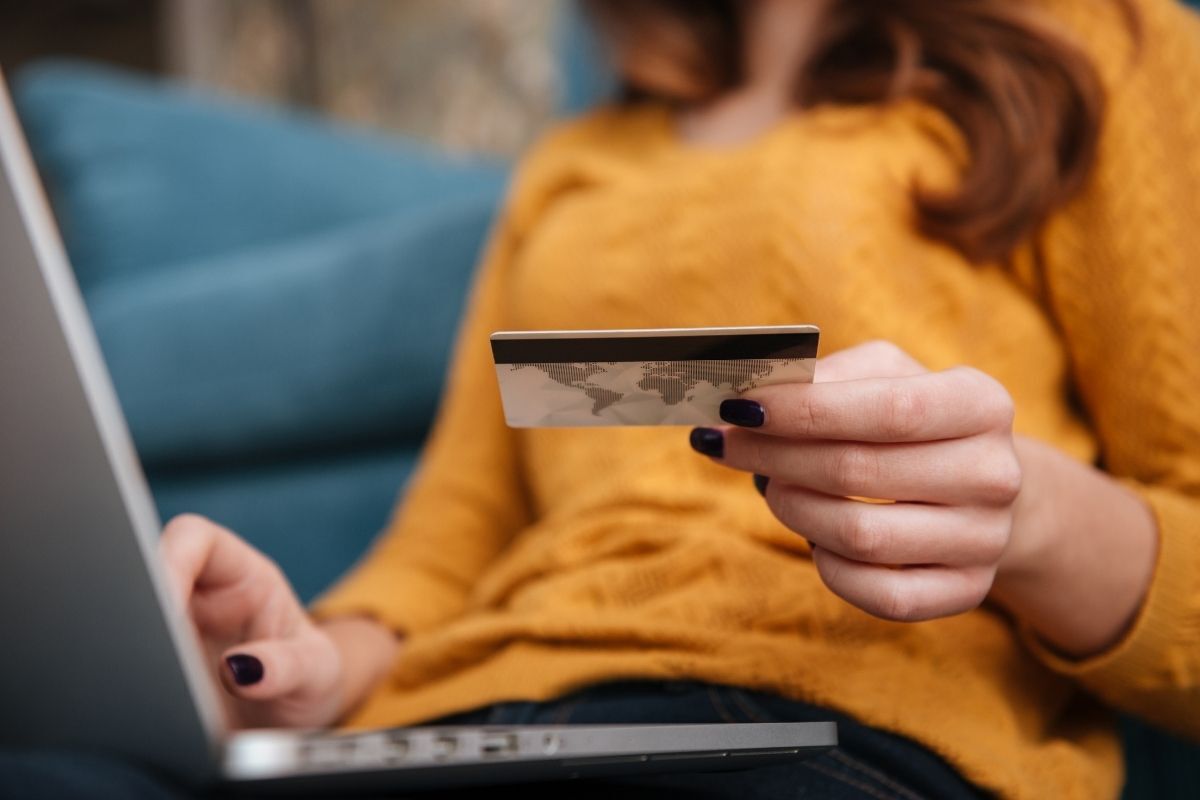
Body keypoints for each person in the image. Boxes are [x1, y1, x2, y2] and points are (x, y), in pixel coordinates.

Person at [162, 0, 1200, 797]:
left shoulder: (1097, 43)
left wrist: (1029, 515)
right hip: (464, 712)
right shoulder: (573, 162)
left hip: (827, 712)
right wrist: (306, 669)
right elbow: (449, 539)